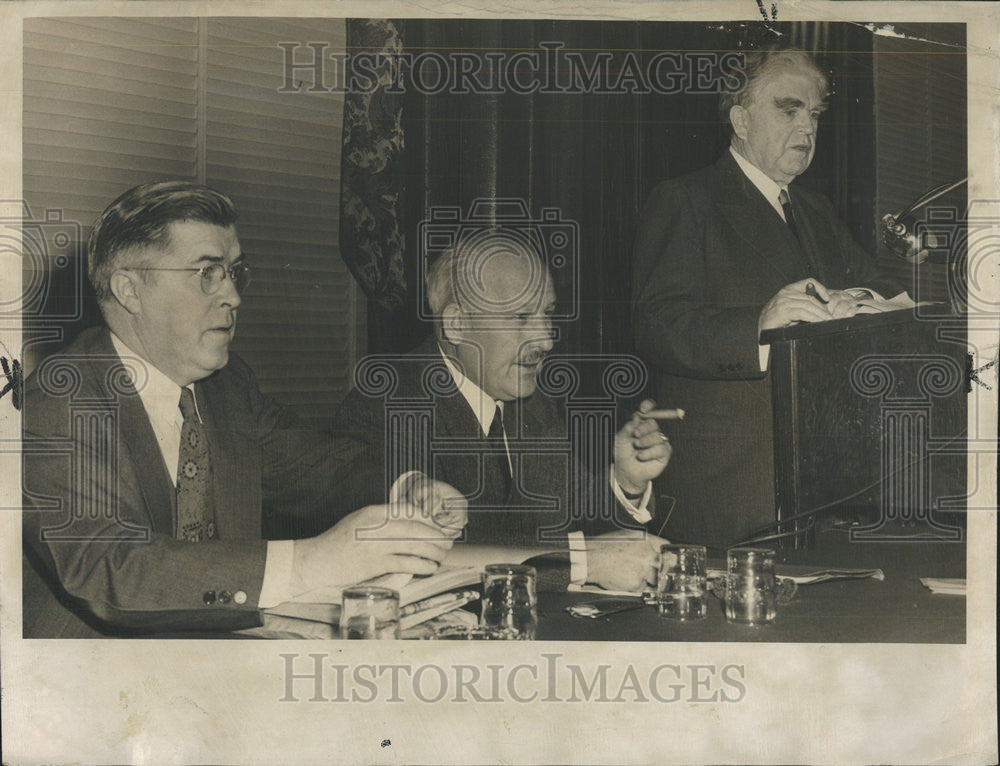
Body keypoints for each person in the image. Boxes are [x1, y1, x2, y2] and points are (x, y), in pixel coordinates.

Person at [21, 181, 465, 638]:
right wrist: (315, 560)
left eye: (235, 272)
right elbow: (109, 568)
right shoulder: (58, 402)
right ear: (130, 290)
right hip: (89, 681)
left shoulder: (227, 386)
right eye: (207, 273)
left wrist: (408, 486)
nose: (233, 295)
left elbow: (319, 466)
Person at [631, 47, 905, 548]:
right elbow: (657, 322)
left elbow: (887, 291)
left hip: (825, 482)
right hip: (731, 486)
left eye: (815, 114)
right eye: (788, 109)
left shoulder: (817, 210)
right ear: (740, 119)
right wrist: (757, 323)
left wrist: (855, 300)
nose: (808, 127)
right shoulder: (687, 200)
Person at [333, 231, 673, 592]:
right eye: (522, 317)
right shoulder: (388, 405)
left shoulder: (530, 401)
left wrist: (627, 481)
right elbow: (430, 562)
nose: (546, 340)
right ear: (458, 325)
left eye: (547, 314)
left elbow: (573, 520)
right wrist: (582, 563)